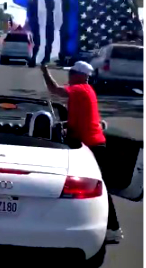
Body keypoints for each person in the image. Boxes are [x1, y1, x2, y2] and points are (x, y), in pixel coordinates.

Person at [41, 61, 122, 243]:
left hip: (91, 146)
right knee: (90, 188)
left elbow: (55, 90)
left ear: (80, 75)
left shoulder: (80, 89)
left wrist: (44, 71)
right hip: (91, 144)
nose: (69, 75)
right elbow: (81, 118)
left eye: (73, 72)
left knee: (97, 190)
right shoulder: (86, 92)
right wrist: (65, 125)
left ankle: (113, 228)